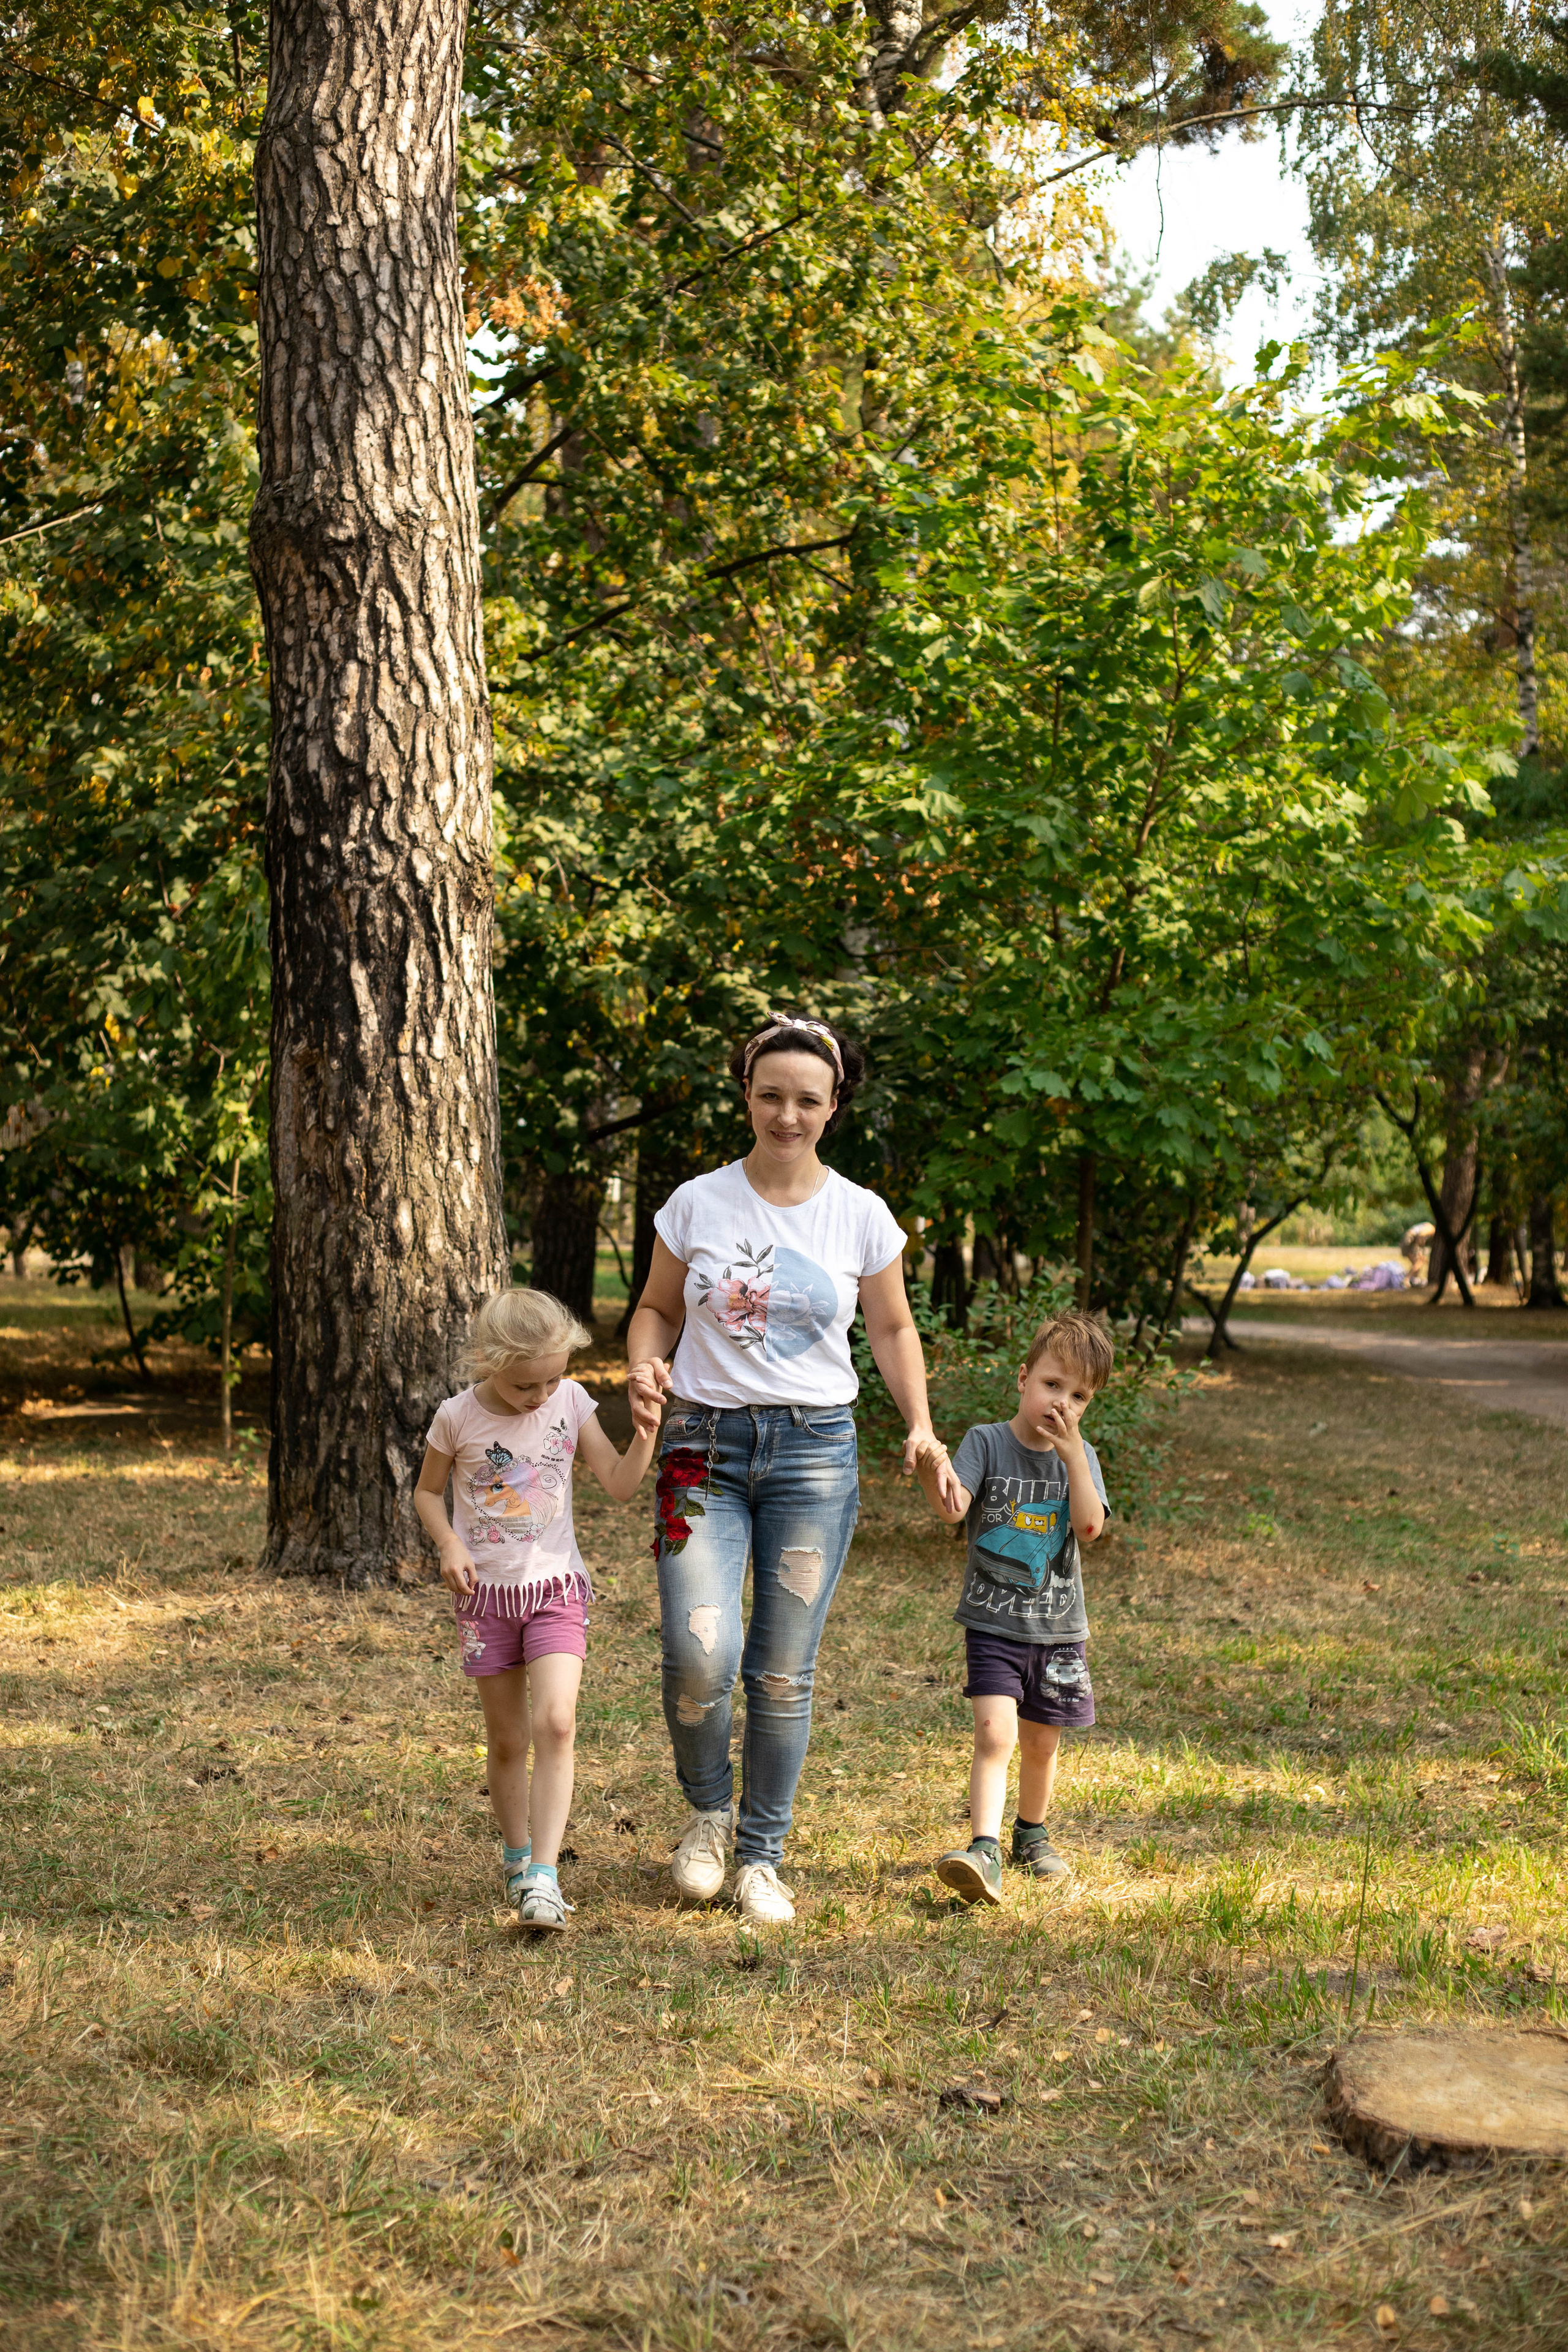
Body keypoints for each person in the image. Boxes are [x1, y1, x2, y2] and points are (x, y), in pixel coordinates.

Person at [625, 1011, 960, 1925]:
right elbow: (656, 1309)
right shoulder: (695, 1203)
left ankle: (760, 1858)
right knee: (699, 1652)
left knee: (780, 1670)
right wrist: (645, 1362)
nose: (786, 1115)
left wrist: (921, 1426)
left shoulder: (861, 1215)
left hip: (815, 1455)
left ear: (833, 1104)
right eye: (770, 1095)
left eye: (807, 1100)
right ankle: (708, 1815)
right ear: (746, 1094)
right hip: (700, 1450)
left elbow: (891, 1327)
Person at [414, 1287, 657, 1932]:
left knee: (556, 1722)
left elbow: (620, 1484)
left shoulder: (571, 1402)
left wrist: (645, 1437)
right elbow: (427, 1493)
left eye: (552, 1379)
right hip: (485, 1599)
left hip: (555, 1591)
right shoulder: (456, 1418)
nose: (541, 1395)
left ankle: (545, 1878)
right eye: (526, 1385)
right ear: (488, 1362)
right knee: (508, 1739)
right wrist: (449, 1544)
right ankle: (517, 1858)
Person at [911, 1310, 1112, 1905]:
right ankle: (984, 1848)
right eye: (1052, 1384)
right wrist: (931, 1472)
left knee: (1043, 1744)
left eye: (1079, 1396)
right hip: (993, 1623)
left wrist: (1073, 1458)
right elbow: (952, 1509)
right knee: (995, 1735)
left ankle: (1032, 1833)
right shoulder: (986, 1442)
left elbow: (1089, 1527)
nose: (1062, 1403)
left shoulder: (1082, 1457)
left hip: (1058, 1631)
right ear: (1023, 1379)